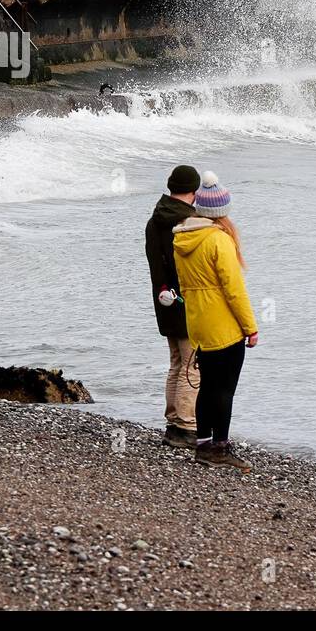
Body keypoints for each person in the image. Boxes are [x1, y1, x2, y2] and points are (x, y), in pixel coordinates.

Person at [172, 171, 259, 472]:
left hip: (198, 323)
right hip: (224, 326)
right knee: (224, 390)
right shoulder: (219, 241)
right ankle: (219, 448)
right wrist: (250, 327)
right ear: (222, 210)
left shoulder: (181, 238)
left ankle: (202, 445)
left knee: (208, 386)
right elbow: (234, 291)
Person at [145, 164, 202, 449]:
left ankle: (172, 422)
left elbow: (157, 264)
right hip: (186, 301)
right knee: (192, 366)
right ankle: (186, 426)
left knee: (176, 363)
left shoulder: (155, 219)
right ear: (194, 189)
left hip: (163, 298)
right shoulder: (189, 222)